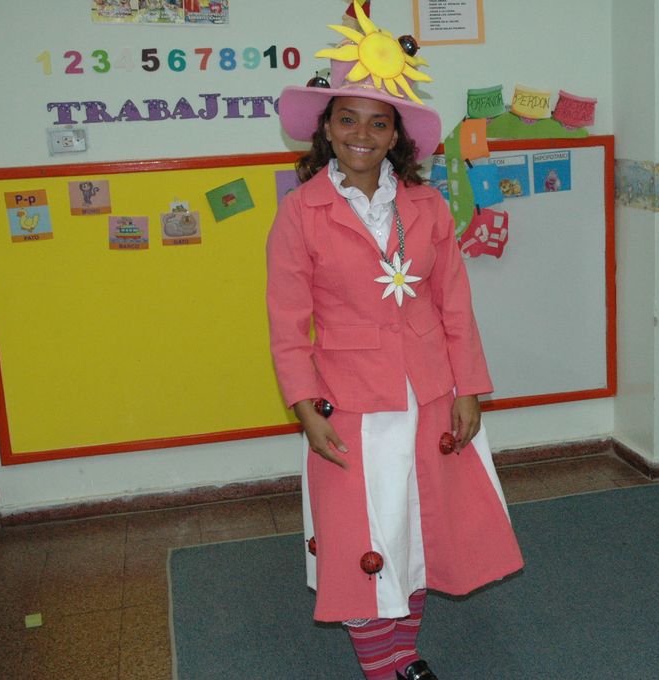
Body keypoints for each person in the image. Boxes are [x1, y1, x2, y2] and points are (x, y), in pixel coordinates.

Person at [266, 4, 524, 680]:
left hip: (429, 393)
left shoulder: (427, 206)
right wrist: (305, 409)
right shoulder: (300, 213)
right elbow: (287, 323)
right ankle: (385, 665)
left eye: (378, 122)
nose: (362, 134)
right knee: (361, 536)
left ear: (396, 136)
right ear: (326, 127)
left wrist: (469, 389)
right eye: (347, 119)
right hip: (351, 403)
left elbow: (454, 305)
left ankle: (402, 654)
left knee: (417, 532)